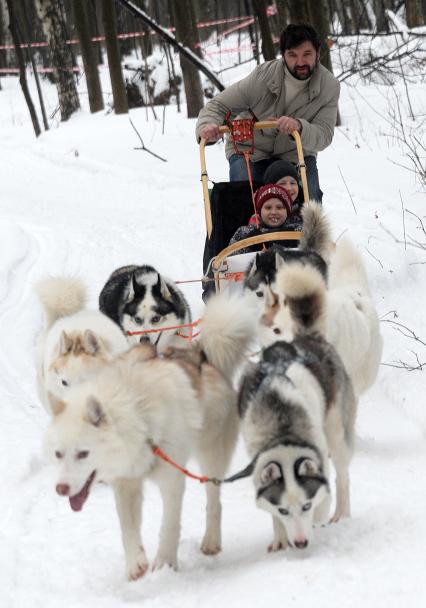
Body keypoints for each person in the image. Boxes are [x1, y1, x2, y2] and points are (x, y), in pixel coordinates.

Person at [196, 23, 340, 203]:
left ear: (318, 53)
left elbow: (324, 135)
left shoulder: (329, 87)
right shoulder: (262, 78)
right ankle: (244, 230)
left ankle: (308, 232)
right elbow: (219, 105)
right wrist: (207, 126)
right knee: (244, 200)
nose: (300, 62)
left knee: (310, 197)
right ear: (283, 56)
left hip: (295, 154)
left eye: (307, 54)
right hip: (249, 150)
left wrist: (300, 127)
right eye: (293, 55)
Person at [228, 183, 301, 255]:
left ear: (287, 211)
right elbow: (231, 258)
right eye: (268, 207)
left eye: (279, 207)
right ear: (260, 211)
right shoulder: (244, 232)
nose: (273, 212)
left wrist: (292, 244)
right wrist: (250, 247)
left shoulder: (299, 229)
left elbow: (310, 252)